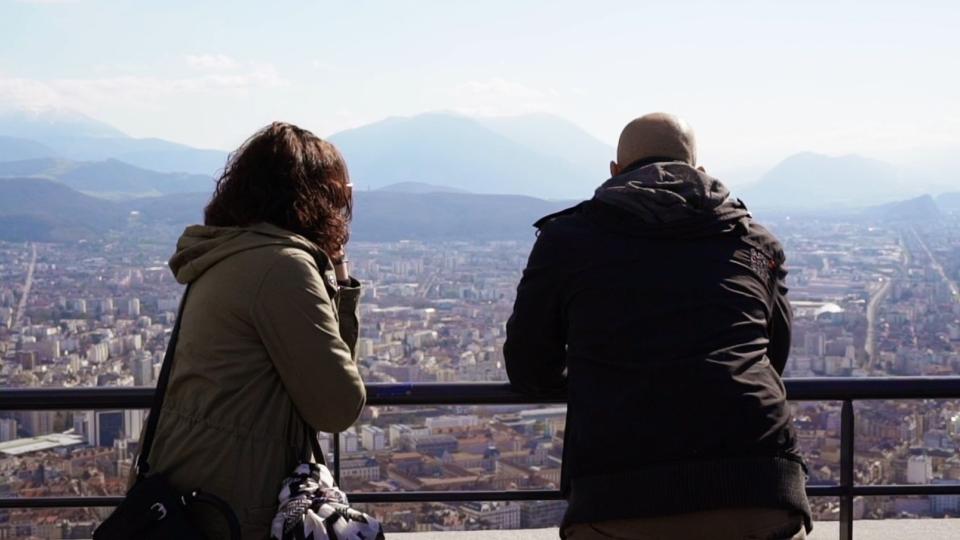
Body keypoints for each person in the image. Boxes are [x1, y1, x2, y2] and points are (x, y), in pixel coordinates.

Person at [504, 113, 811, 539]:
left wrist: (602, 377)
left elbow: (528, 369)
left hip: (619, 496)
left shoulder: (566, 240)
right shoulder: (754, 241)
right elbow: (772, 354)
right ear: (700, 171)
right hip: (760, 487)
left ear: (614, 172)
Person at [130, 122, 366, 539]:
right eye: (342, 192)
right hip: (235, 503)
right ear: (317, 196)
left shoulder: (230, 253)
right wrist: (341, 279)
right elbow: (338, 405)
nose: (346, 204)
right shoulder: (282, 267)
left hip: (192, 485)